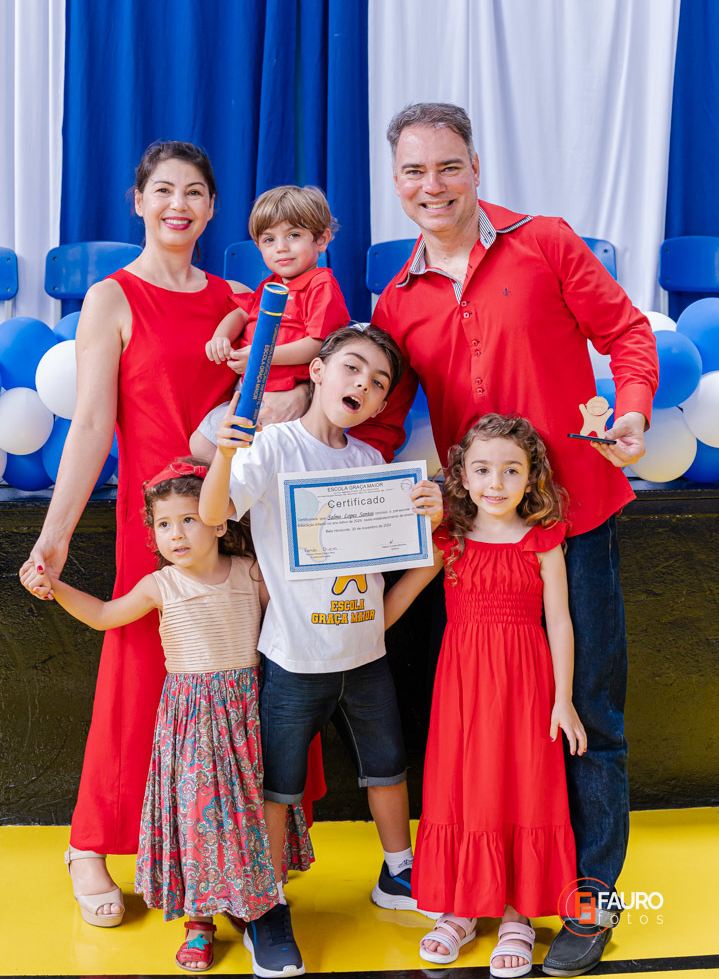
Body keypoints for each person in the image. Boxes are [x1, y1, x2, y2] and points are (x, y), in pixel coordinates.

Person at [351, 103, 660, 976]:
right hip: (474, 547)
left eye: (447, 166)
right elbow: (379, 419)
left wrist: (631, 411)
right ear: (396, 183)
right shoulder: (395, 300)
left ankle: (588, 901)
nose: (432, 186)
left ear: (475, 167)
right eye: (414, 172)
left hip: (575, 520)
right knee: (485, 730)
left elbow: (627, 334)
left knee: (588, 716)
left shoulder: (547, 242)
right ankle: (492, 891)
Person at [19, 141, 314, 927]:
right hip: (153, 525)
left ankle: (229, 852)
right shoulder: (111, 298)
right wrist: (54, 536)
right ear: (138, 201)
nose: (177, 204)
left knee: (239, 679)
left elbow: (282, 394)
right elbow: (91, 424)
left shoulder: (237, 299)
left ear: (212, 209)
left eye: (193, 193)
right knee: (135, 677)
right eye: (163, 190)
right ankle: (90, 844)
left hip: (229, 516)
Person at [199, 325, 444, 979]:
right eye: (353, 368)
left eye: (378, 382)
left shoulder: (370, 464)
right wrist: (224, 453)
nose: (363, 384)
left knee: (387, 767)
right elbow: (214, 514)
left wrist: (429, 513)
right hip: (293, 659)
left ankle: (397, 872)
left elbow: (409, 554)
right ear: (317, 370)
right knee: (278, 786)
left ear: (382, 403)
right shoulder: (274, 446)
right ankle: (266, 904)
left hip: (365, 658)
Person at [21, 459, 313, 972]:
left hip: (248, 716)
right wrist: (55, 587)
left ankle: (248, 900)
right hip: (192, 722)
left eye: (189, 520)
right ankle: (199, 923)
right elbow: (104, 615)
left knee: (248, 814)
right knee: (197, 818)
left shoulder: (250, 572)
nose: (175, 534)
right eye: (163, 524)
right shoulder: (161, 585)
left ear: (219, 522)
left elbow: (292, 612)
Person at [385, 414, 586, 973]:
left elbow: (560, 621)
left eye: (511, 470)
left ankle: (519, 914)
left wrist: (563, 698)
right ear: (462, 477)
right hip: (463, 686)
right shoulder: (449, 540)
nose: (495, 482)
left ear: (531, 477)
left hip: (527, 683)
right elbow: (398, 600)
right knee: (463, 785)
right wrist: (344, 632)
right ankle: (462, 908)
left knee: (524, 785)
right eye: (482, 469)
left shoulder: (543, 541)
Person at [190, 184, 350, 460]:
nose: (282, 248)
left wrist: (261, 356)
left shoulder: (321, 284)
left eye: (294, 235)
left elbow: (318, 344)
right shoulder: (269, 286)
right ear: (258, 247)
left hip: (290, 398)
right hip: (248, 392)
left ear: (321, 240)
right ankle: (234, 488)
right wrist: (220, 336)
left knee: (264, 459)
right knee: (201, 444)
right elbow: (242, 314)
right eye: (269, 240)